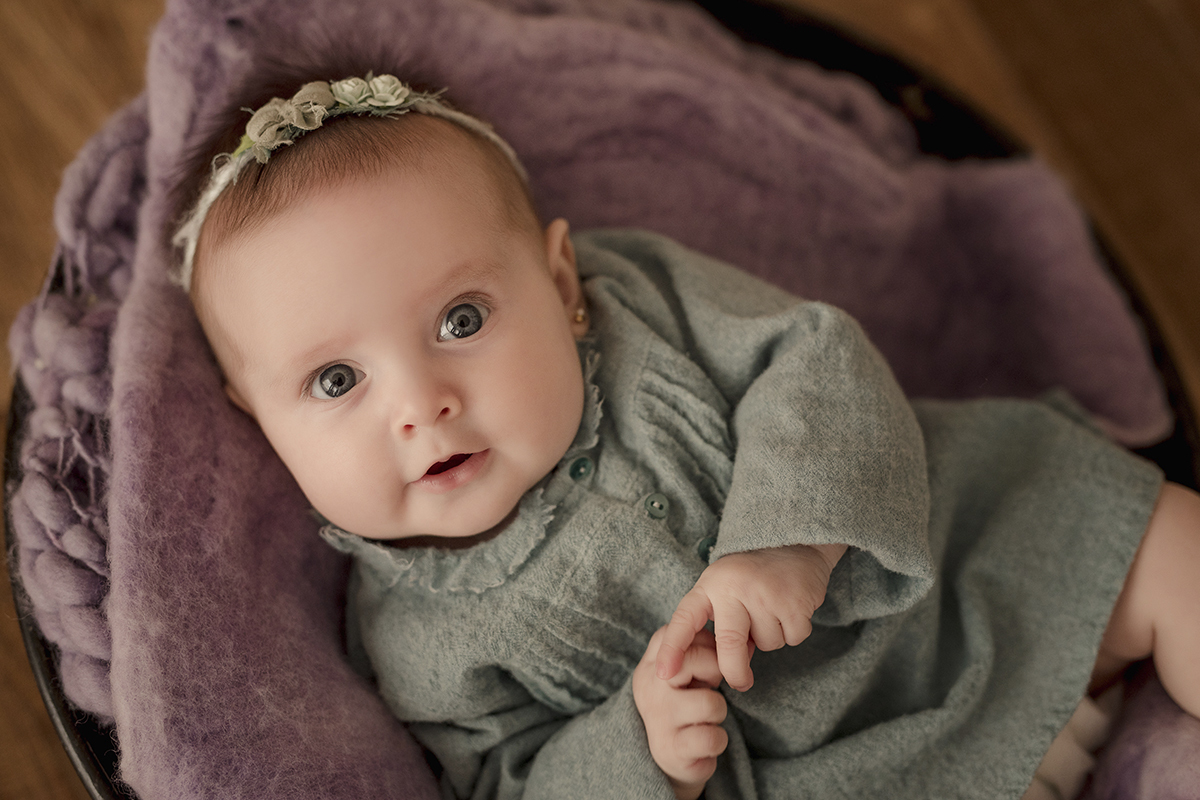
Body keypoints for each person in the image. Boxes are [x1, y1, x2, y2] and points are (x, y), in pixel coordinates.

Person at [173, 74, 1200, 800]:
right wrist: (643, 747)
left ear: (562, 283)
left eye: (462, 319)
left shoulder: (639, 303)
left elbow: (811, 356)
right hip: (835, 774)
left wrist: (788, 542)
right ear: (260, 420)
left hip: (966, 577)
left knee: (1166, 542)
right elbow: (509, 784)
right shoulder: (414, 645)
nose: (422, 402)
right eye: (337, 380)